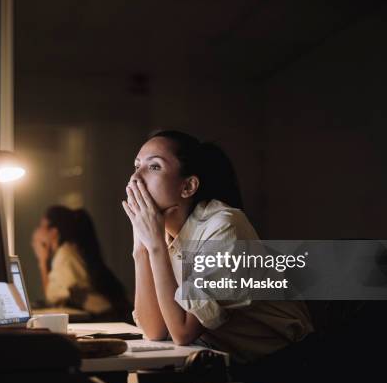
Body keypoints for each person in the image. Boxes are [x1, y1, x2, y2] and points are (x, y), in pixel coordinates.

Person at [122, 130, 313, 364]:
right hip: (221, 361)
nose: (135, 178)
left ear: (188, 186)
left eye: (154, 167)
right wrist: (141, 249)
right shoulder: (163, 234)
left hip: (281, 363)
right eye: (136, 165)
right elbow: (155, 331)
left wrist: (155, 247)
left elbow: (182, 332)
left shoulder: (224, 226)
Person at [32, 206, 130, 320]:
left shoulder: (65, 254)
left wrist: (42, 261)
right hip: (104, 315)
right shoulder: (69, 251)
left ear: (54, 232)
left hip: (104, 317)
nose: (36, 231)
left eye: (41, 226)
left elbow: (52, 297)